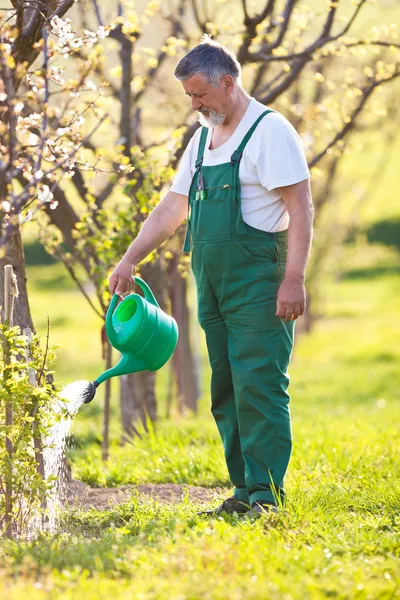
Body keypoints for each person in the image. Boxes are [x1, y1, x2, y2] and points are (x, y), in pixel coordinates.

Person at [109, 37, 314, 518]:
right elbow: (173, 207)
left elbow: (300, 208)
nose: (195, 105)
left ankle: (266, 496)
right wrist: (130, 258)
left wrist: (295, 278)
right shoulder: (203, 137)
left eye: (200, 95)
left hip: (262, 281)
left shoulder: (270, 132)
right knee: (226, 386)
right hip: (215, 284)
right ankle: (243, 491)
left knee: (258, 383)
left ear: (228, 82)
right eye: (189, 97)